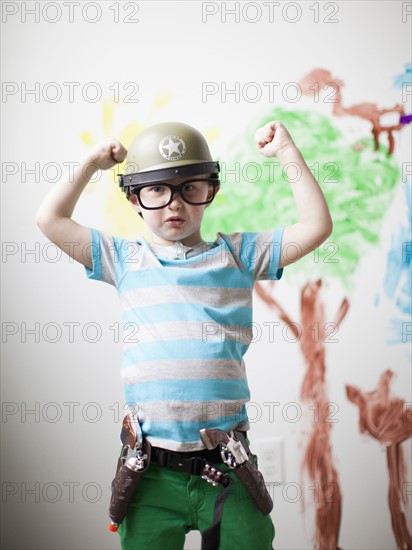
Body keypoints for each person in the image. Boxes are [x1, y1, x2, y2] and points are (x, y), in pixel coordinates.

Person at [36, 120, 333, 550]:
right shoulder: (124, 260)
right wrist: (90, 164)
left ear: (210, 190)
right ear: (134, 197)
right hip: (150, 473)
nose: (174, 203)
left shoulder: (240, 255)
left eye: (190, 187)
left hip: (228, 468)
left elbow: (315, 226)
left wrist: (287, 153)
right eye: (157, 189)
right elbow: (50, 219)